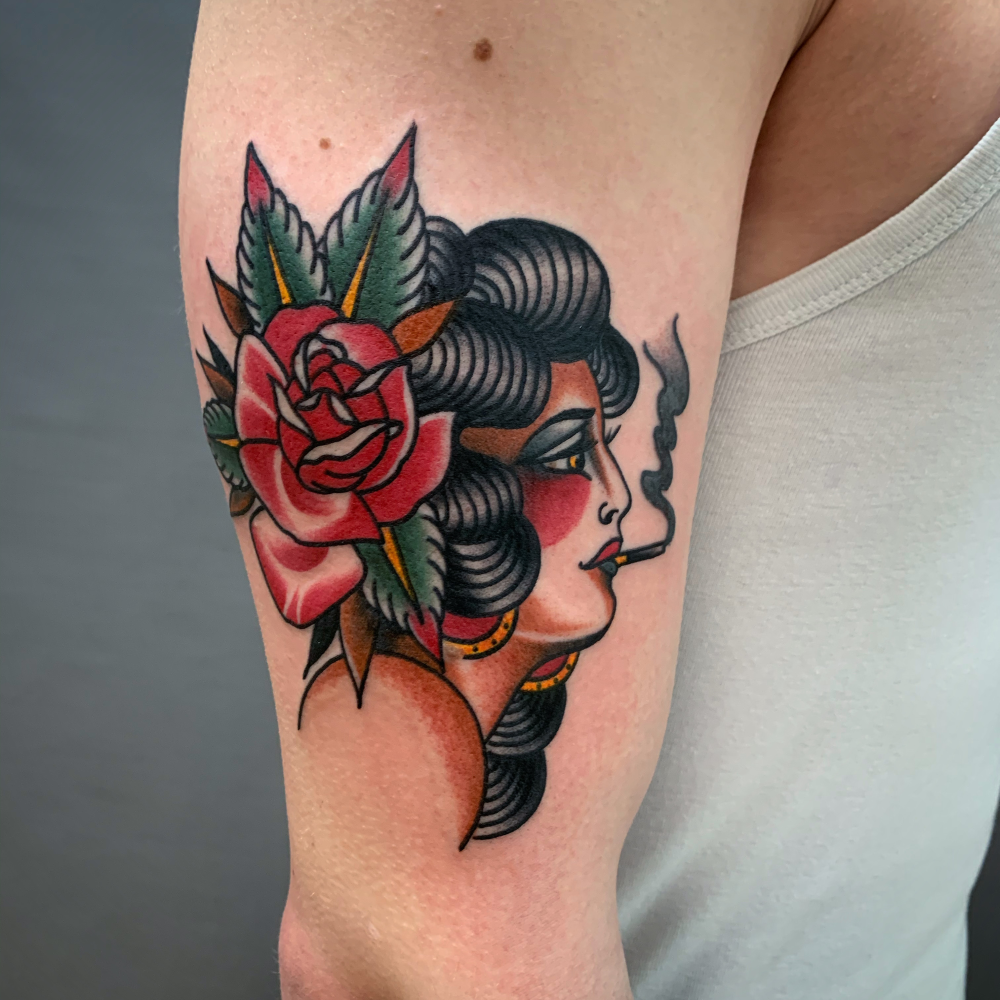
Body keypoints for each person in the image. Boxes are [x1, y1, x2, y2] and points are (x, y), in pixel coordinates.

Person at [179, 0, 1000, 996]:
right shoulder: (410, 721)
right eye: (570, 454)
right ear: (446, 484)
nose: (627, 509)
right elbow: (407, 963)